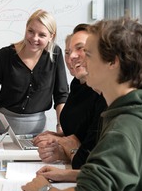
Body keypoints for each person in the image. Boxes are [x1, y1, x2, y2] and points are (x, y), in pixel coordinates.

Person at [21, 17, 142, 191]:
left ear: (113, 62)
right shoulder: (139, 108)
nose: (82, 61)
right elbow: (124, 172)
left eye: (89, 55)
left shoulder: (124, 129)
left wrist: (43, 189)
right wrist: (69, 174)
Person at [0, 9, 69, 139]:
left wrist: (61, 126)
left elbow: (61, 95)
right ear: (26, 28)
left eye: (42, 35)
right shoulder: (4, 55)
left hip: (37, 131)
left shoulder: (55, 55)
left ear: (51, 36)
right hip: (2, 127)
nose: (34, 38)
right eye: (30, 31)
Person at [34, 24, 107, 169]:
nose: (71, 58)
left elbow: (90, 161)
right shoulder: (76, 84)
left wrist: (68, 147)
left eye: (80, 48)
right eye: (67, 52)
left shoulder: (107, 97)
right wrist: (61, 141)